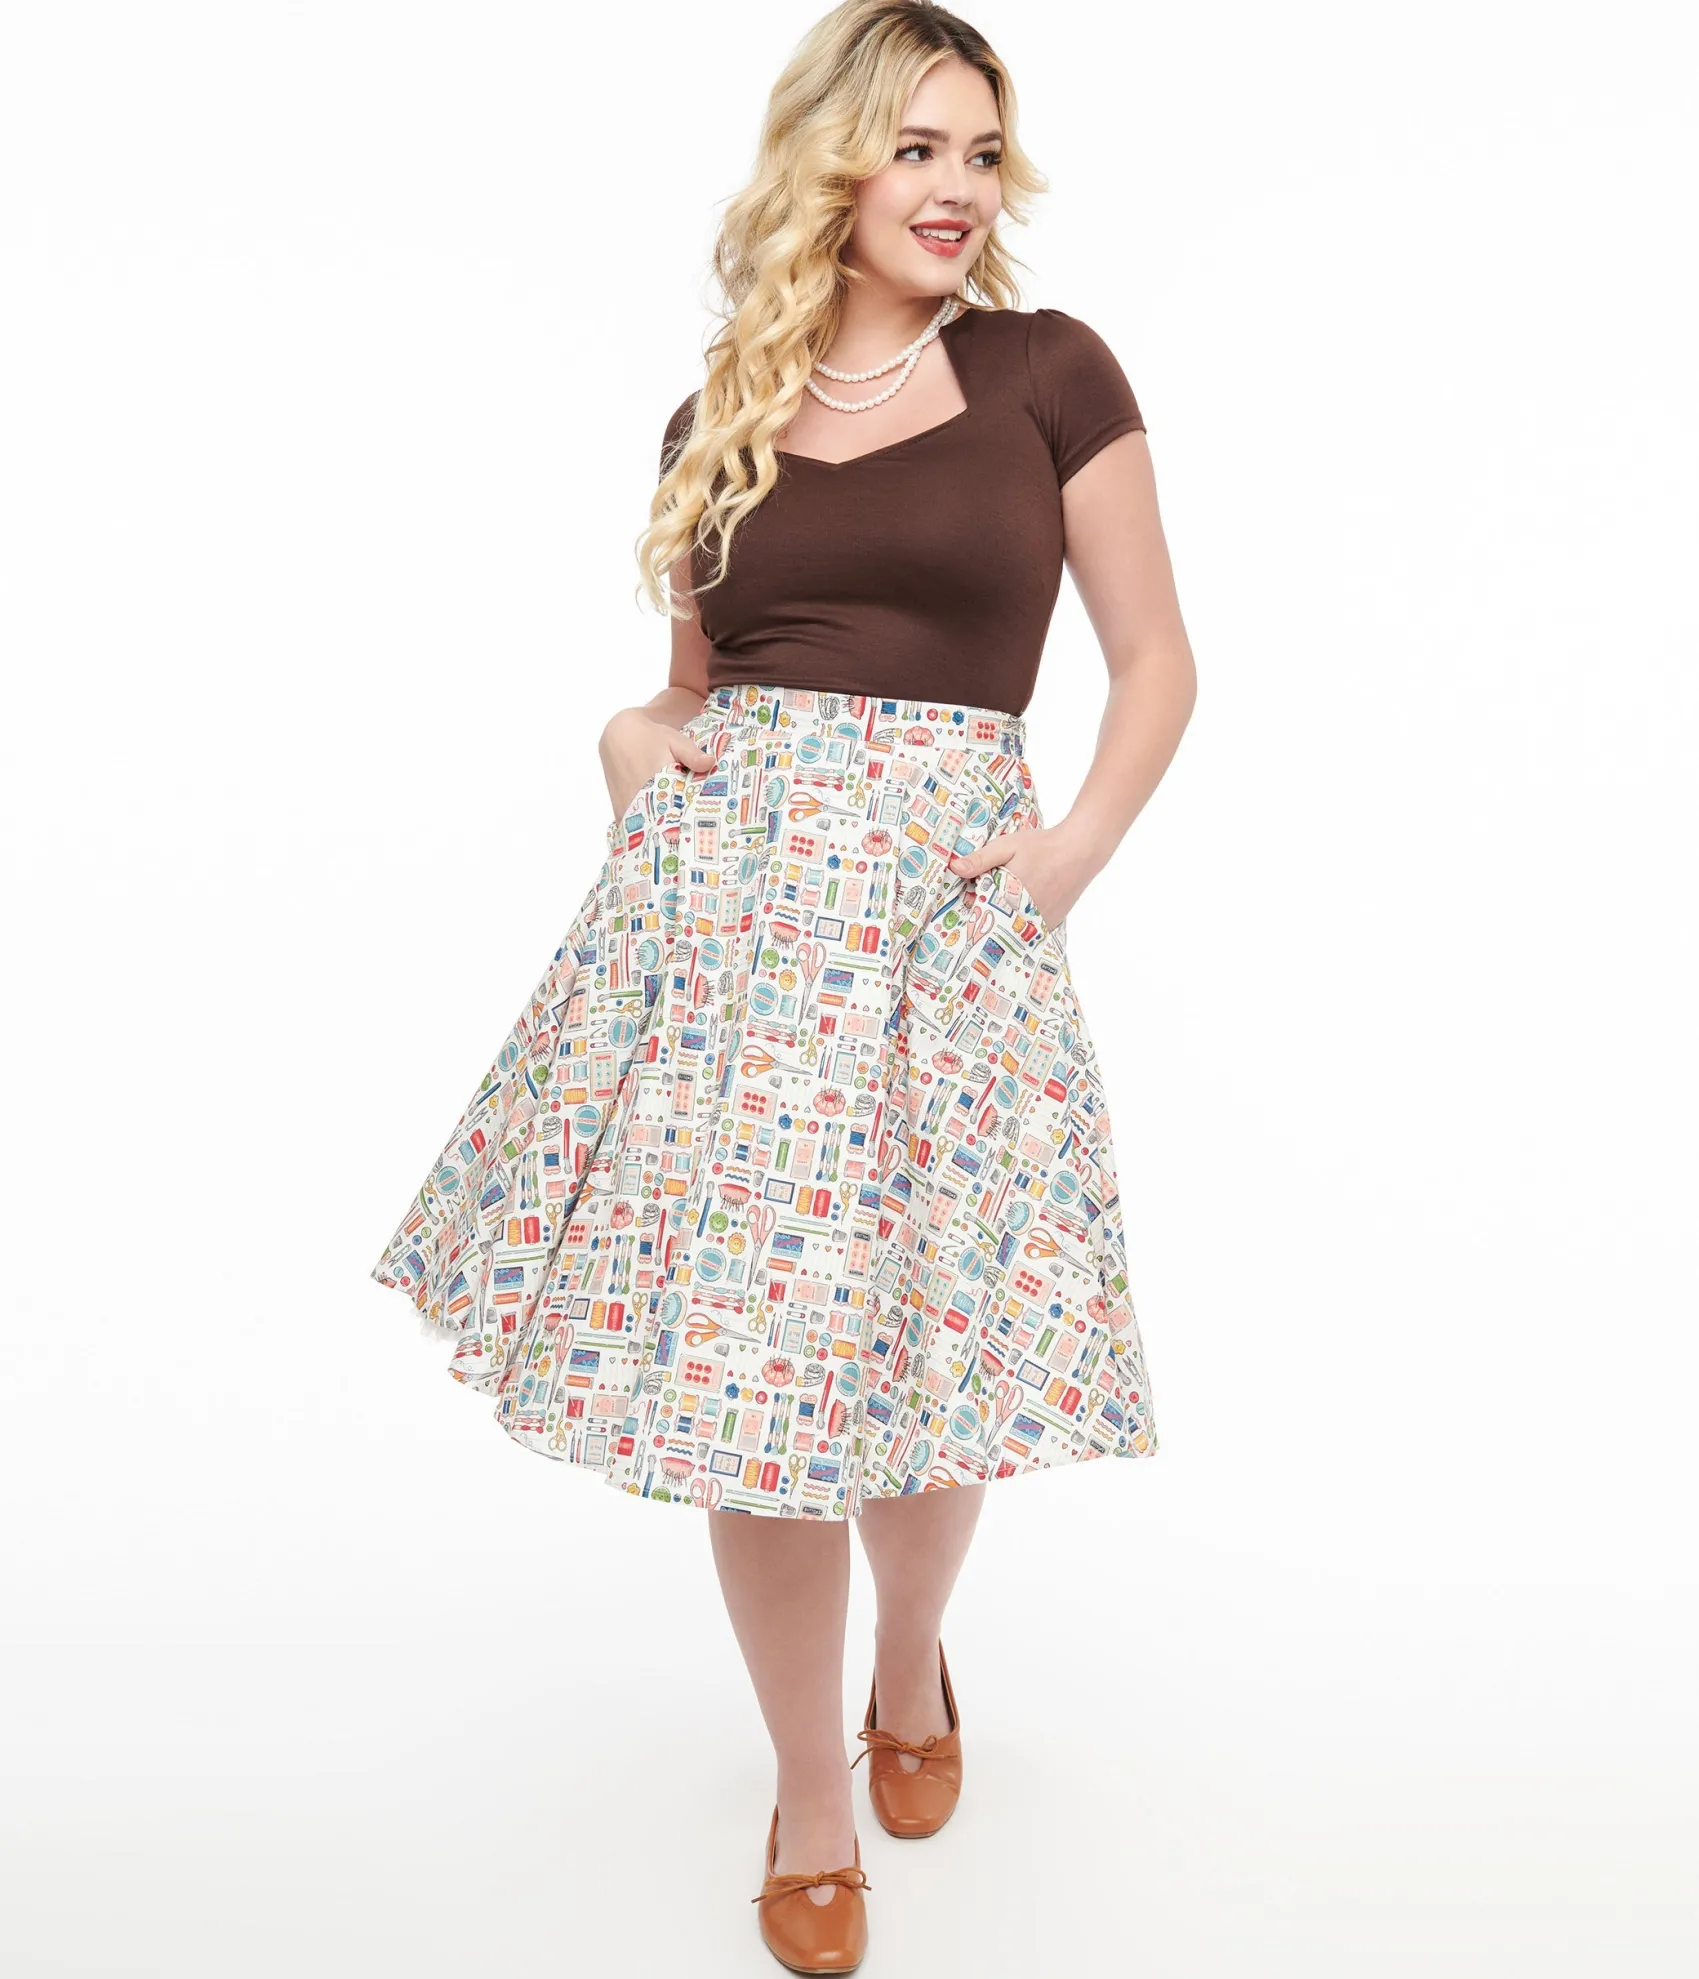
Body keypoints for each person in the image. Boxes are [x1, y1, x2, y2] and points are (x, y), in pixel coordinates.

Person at [370, 2, 1195, 1969]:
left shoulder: (1047, 371)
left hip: (948, 926)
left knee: (929, 1347)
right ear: (831, 159)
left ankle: (911, 1659)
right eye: (917, 147)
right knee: (753, 1376)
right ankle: (811, 1790)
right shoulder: (712, 415)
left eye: (979, 152)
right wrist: (628, 741)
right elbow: (688, 692)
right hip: (732, 934)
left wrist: (1068, 853)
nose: (955, 187)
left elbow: (1157, 659)